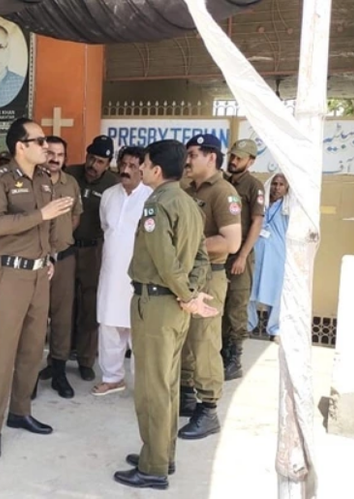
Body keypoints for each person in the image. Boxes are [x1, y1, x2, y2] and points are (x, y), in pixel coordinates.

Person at [113, 139, 215, 490]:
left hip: (156, 304)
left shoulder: (157, 204)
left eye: (143, 164)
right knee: (168, 386)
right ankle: (162, 454)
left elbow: (163, 259)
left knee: (152, 389)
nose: (139, 169)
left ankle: (153, 466)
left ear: (156, 169)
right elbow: (202, 258)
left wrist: (187, 295)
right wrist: (192, 293)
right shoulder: (188, 203)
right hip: (175, 307)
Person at [0, 117, 74, 461]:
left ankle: (20, 412)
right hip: (11, 276)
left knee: (33, 350)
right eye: (38, 141)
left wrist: (48, 255)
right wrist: (41, 214)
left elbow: (49, 228)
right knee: (3, 353)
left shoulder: (45, 180)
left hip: (39, 276)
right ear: (21, 146)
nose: (45, 147)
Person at [178, 133, 241, 440]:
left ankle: (209, 409)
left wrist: (189, 245)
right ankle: (187, 394)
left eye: (193, 154)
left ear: (211, 157)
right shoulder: (185, 187)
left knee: (204, 341)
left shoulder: (223, 192)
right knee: (186, 338)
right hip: (185, 275)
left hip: (210, 276)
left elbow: (230, 242)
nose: (187, 160)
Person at [93, 146, 152, 396]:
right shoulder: (108, 195)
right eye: (123, 164)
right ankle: (113, 377)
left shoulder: (151, 196)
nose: (125, 170)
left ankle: (144, 386)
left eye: (132, 166)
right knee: (108, 325)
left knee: (138, 331)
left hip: (139, 274)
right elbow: (106, 226)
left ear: (143, 169)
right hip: (111, 272)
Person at [65, 135, 119, 381]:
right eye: (91, 158)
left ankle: (86, 360)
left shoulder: (113, 184)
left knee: (89, 305)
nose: (93, 165)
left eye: (100, 161)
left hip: (94, 251)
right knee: (63, 304)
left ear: (108, 164)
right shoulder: (70, 174)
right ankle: (59, 356)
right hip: (66, 248)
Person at [35, 136, 83, 399]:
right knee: (35, 319)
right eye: (50, 153)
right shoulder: (31, 182)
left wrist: (59, 241)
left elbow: (75, 216)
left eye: (60, 155)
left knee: (62, 317)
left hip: (64, 259)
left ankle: (59, 370)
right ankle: (29, 375)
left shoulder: (71, 183)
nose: (54, 159)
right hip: (37, 260)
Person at [222, 139, 265, 380]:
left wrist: (243, 255)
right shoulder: (224, 182)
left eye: (239, 158)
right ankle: (219, 354)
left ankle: (234, 360)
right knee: (219, 306)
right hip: (221, 253)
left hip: (240, 257)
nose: (234, 161)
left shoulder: (253, 186)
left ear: (251, 161)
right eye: (232, 156)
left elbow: (257, 222)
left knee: (236, 308)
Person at [248, 173, 290, 341]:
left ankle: (275, 329)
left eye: (281, 184)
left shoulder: (289, 207)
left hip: (277, 254)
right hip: (256, 251)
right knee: (250, 289)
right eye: (274, 183)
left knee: (276, 291)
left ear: (287, 188)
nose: (277, 187)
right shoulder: (261, 203)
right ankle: (248, 325)